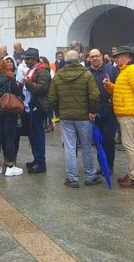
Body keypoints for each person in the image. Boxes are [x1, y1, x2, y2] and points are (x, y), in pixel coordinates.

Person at [47, 50, 101, 188]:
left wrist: (59, 112)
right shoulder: (86, 74)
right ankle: (90, 176)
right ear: (78, 60)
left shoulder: (58, 76)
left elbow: (52, 98)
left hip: (66, 117)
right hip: (83, 117)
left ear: (66, 60)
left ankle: (73, 178)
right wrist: (92, 111)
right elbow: (94, 95)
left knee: (70, 148)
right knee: (87, 147)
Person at [104, 46, 134, 189]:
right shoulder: (125, 70)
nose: (116, 59)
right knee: (129, 144)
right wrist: (110, 86)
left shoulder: (133, 70)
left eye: (118, 56)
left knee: (129, 145)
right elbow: (122, 90)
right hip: (126, 112)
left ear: (128, 57)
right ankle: (132, 174)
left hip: (130, 114)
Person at [87, 48, 118, 173]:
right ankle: (102, 165)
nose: (95, 58)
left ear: (101, 57)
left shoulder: (111, 70)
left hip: (109, 109)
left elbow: (119, 88)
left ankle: (109, 165)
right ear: (89, 58)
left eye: (97, 55)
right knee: (98, 140)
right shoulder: (87, 72)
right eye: (92, 56)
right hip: (94, 111)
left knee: (109, 138)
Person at [22, 48, 51, 174]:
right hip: (31, 106)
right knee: (33, 135)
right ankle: (36, 159)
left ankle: (40, 163)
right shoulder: (33, 69)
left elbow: (43, 89)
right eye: (25, 59)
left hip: (38, 107)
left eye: (28, 59)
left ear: (35, 59)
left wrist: (28, 84)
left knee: (38, 135)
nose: (26, 61)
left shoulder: (43, 71)